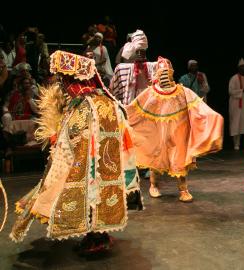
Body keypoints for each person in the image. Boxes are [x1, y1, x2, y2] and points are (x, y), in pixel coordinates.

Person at [9, 51, 141, 255]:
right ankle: (100, 234)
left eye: (64, 81)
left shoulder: (82, 106)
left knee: (88, 198)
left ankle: (96, 237)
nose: (63, 87)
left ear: (73, 80)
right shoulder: (107, 102)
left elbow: (73, 137)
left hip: (87, 166)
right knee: (98, 198)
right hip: (111, 165)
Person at [126, 56, 223, 202]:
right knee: (156, 157)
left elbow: (198, 106)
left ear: (171, 72)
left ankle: (183, 190)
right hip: (158, 132)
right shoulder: (151, 92)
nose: (164, 74)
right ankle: (154, 185)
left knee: (180, 159)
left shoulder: (182, 91)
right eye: (161, 71)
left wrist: (213, 116)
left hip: (178, 132)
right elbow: (133, 108)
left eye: (167, 71)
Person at [110, 30, 155, 105]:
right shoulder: (125, 48)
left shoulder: (140, 49)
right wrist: (123, 69)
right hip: (128, 75)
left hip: (139, 75)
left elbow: (144, 61)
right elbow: (118, 61)